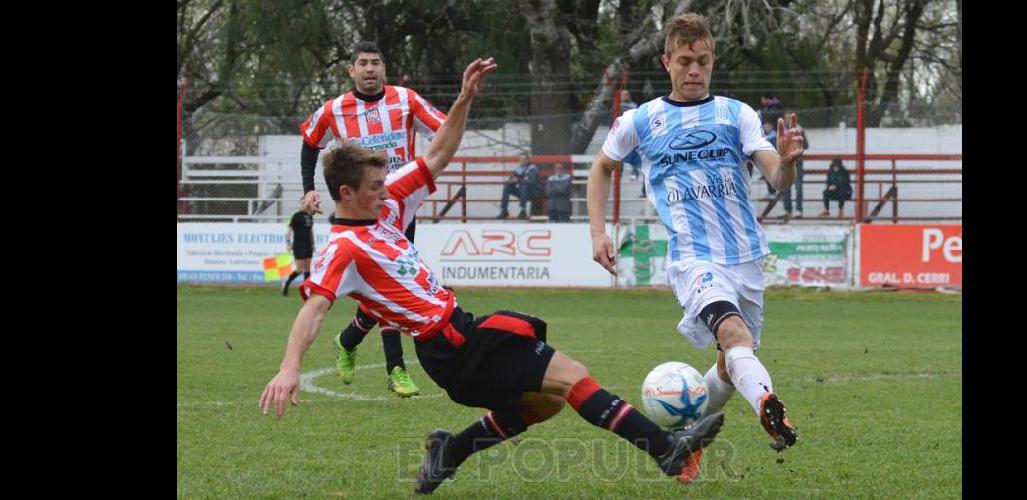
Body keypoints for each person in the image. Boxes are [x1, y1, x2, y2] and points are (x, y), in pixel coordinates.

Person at [259, 58, 725, 495]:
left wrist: (464, 100)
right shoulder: (342, 249)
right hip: (448, 347)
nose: (387, 192)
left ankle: (453, 449)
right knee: (571, 377)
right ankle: (666, 450)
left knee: (545, 403)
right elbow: (314, 310)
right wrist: (288, 366)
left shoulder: (388, 205)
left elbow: (437, 155)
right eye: (375, 187)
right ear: (346, 193)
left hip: (460, 333)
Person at [586, 12, 802, 485]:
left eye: (702, 61)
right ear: (667, 61)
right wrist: (598, 231)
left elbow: (775, 176)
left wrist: (785, 164)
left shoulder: (736, 113)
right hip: (694, 258)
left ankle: (686, 438)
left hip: (745, 257)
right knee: (734, 337)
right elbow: (602, 168)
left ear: (712, 60)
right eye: (685, 61)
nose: (694, 71)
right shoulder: (641, 120)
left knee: (729, 363)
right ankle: (769, 404)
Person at [298, 41, 447, 397]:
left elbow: (442, 130)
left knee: (388, 287)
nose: (369, 69)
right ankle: (395, 368)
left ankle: (348, 339)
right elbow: (309, 142)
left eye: (375, 63)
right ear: (351, 70)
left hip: (400, 204)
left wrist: (420, 166)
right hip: (362, 211)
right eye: (362, 63)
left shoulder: (406, 100)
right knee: (390, 285)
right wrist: (309, 188)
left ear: (384, 68)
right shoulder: (334, 109)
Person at [281, 200, 316, 296]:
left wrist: (313, 244)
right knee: (299, 269)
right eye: (303, 203)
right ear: (300, 204)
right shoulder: (296, 215)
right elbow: (289, 230)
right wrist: (288, 244)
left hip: (308, 244)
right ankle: (286, 284)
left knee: (307, 269)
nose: (305, 205)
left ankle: (306, 291)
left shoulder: (310, 216)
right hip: (298, 245)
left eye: (306, 203)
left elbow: (310, 231)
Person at [780, 112, 808, 218]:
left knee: (798, 186)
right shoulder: (782, 131)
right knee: (785, 187)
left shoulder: (800, 130)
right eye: (786, 118)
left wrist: (798, 143)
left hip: (797, 163)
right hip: (786, 163)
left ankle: (798, 210)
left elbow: (806, 145)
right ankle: (787, 210)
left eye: (790, 118)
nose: (788, 120)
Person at [496, 151, 540, 219]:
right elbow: (514, 178)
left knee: (524, 186)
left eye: (524, 159)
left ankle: (523, 211)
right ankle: (504, 210)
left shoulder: (532, 168)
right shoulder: (518, 168)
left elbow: (531, 181)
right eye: (521, 159)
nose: (522, 160)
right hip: (522, 191)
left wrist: (518, 180)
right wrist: (511, 180)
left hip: (532, 192)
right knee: (507, 186)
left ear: (528, 160)